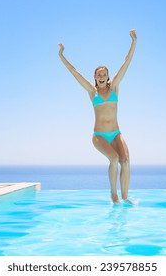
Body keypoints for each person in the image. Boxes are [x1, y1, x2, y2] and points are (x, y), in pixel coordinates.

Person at [58, 29, 137, 204]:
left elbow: (126, 62)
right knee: (114, 158)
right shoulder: (92, 92)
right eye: (98, 74)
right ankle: (114, 196)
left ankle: (125, 198)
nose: (102, 76)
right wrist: (61, 54)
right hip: (99, 136)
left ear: (108, 77)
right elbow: (74, 71)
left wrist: (133, 42)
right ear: (95, 77)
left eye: (104, 74)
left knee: (125, 160)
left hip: (116, 133)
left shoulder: (115, 87)